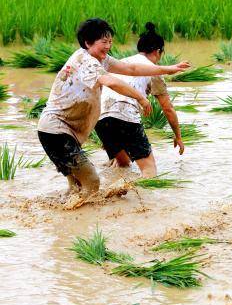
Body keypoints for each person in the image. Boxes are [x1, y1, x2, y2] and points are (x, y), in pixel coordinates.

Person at [37, 18, 189, 196]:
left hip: (63, 132)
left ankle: (69, 217)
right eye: (104, 41)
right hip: (57, 133)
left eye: (110, 41)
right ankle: (91, 212)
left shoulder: (100, 59)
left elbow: (131, 69)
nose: (108, 45)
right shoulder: (86, 62)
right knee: (93, 183)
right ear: (88, 42)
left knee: (77, 187)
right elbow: (110, 81)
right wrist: (141, 97)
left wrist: (169, 68)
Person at [95, 22, 184, 178]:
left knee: (123, 165)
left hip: (101, 119)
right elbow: (167, 108)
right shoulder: (152, 69)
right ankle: (144, 200)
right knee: (150, 171)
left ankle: (118, 199)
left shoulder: (121, 63)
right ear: (158, 52)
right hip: (125, 115)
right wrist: (178, 136)